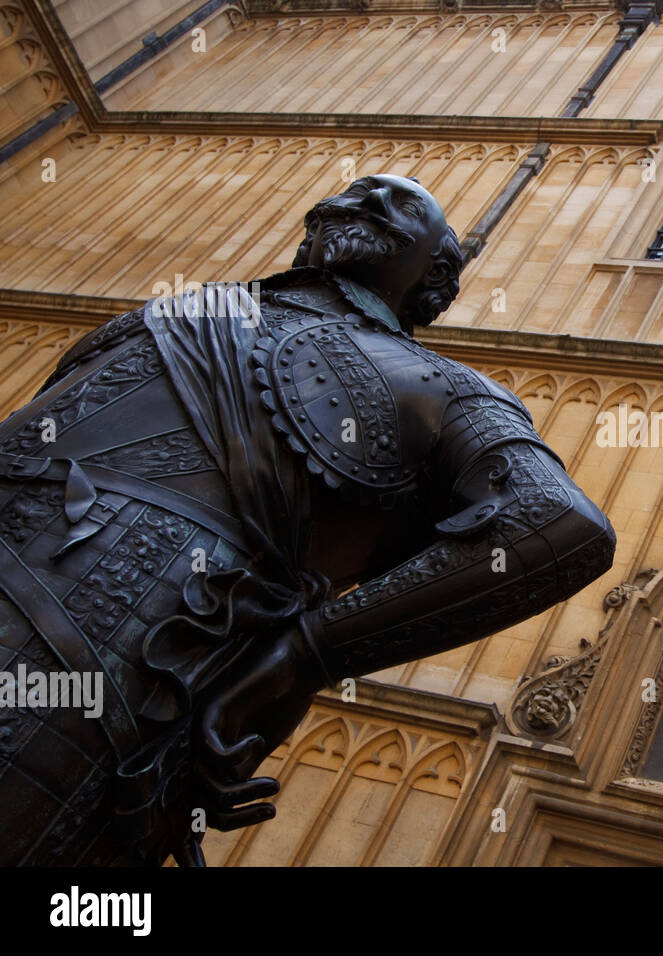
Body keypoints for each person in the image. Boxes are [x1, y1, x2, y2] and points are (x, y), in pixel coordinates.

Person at [0, 175, 616, 865]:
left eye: (403, 207)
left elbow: (559, 523)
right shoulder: (170, 315)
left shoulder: (448, 389)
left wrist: (309, 651)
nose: (370, 202)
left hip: (97, 664)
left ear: (435, 270)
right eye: (359, 190)